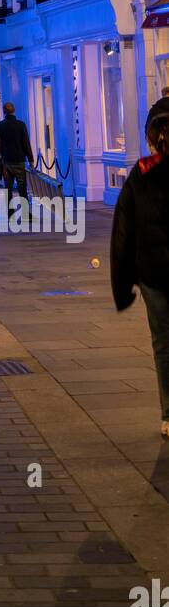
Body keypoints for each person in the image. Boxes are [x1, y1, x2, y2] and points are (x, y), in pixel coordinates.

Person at [111, 110, 169, 440]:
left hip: (153, 272)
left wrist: (123, 283)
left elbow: (123, 229)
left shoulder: (142, 173)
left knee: (163, 343)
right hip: (153, 271)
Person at [0, 101, 33, 200]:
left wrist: (0, 161)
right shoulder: (21, 125)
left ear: (4, 112)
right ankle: (25, 213)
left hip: (6, 161)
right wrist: (31, 159)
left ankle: (10, 213)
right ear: (14, 111)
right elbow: (26, 143)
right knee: (22, 188)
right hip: (19, 160)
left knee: (8, 189)